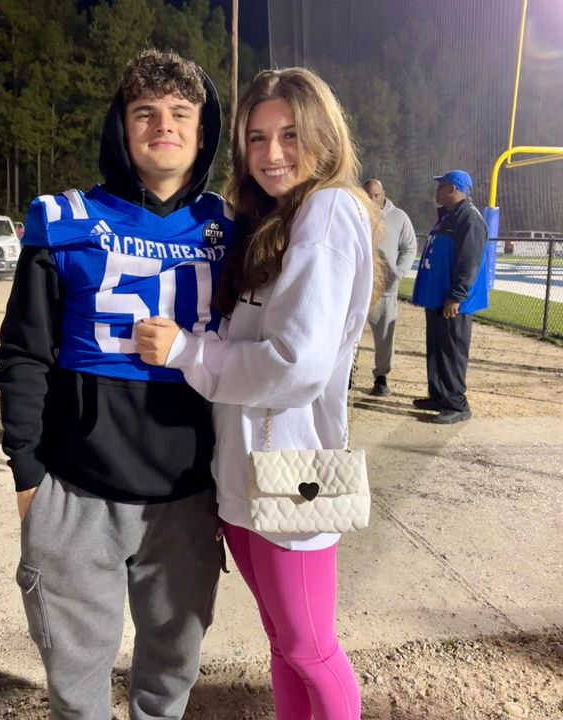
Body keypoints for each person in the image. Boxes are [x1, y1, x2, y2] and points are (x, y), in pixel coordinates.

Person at [0, 49, 235, 720]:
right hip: (78, 490)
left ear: (203, 132)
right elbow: (24, 354)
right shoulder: (64, 219)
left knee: (172, 674)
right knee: (76, 685)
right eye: (145, 112)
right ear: (121, 127)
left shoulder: (232, 228)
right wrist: (27, 477)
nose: (164, 125)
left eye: (181, 113)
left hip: (188, 493)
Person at [136, 67, 378, 720]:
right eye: (257, 138)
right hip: (248, 476)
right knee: (283, 644)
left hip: (293, 478)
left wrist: (186, 352)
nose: (272, 153)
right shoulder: (277, 218)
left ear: (324, 135)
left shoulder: (327, 210)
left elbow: (296, 365)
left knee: (310, 648)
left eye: (290, 134)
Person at [411, 170, 488, 424]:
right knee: (436, 349)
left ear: (453, 189)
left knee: (452, 351)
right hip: (437, 297)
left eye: (441, 187)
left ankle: (457, 404)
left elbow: (469, 262)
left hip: (453, 301)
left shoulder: (469, 218)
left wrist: (456, 296)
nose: (437, 191)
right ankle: (439, 396)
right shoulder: (447, 216)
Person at [363, 179, 417, 396]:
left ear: (383, 194)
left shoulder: (398, 217)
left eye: (376, 195)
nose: (372, 199)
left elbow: (409, 247)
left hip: (385, 288)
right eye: (368, 195)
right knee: (348, 333)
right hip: (357, 287)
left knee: (385, 336)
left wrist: (399, 272)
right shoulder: (355, 213)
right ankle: (346, 373)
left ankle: (381, 377)